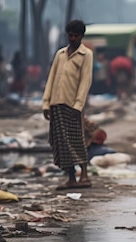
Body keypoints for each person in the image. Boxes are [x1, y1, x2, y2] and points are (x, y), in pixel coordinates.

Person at [42, 19, 93, 190]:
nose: (72, 38)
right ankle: (71, 177)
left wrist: (78, 106)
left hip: (73, 105)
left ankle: (84, 175)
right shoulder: (60, 54)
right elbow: (51, 78)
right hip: (56, 103)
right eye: (70, 35)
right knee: (61, 143)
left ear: (81, 36)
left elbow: (85, 82)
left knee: (76, 141)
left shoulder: (86, 55)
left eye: (75, 35)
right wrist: (46, 103)